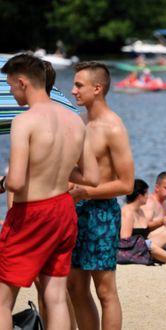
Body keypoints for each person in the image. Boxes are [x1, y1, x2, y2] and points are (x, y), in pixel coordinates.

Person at [0, 54, 99, 330]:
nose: (10, 91)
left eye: (11, 85)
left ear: (23, 82)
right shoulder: (75, 121)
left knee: (2, 299)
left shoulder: (24, 122)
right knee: (55, 296)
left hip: (31, 213)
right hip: (63, 210)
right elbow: (92, 176)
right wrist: (59, 166)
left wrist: (1, 183)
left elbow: (17, 182)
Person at [67, 61, 134, 330]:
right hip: (74, 210)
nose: (73, 91)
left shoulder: (113, 127)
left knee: (105, 291)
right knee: (74, 287)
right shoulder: (79, 121)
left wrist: (86, 191)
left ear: (97, 88)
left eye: (78, 85)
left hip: (102, 213)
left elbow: (127, 184)